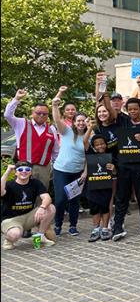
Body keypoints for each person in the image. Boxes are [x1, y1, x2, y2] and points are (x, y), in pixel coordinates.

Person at [110, 98, 140, 241]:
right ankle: (117, 227)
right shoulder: (122, 123)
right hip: (123, 167)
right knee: (121, 197)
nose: (132, 111)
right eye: (130, 109)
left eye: (135, 109)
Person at [51, 88, 88, 236]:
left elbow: (88, 156)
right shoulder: (66, 131)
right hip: (61, 171)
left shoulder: (89, 136)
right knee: (60, 199)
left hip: (77, 173)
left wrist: (85, 172)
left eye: (83, 121)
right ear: (73, 122)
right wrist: (56, 103)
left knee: (74, 200)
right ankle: (58, 224)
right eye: (78, 120)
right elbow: (57, 118)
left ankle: (73, 225)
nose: (81, 123)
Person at [3, 89, 58, 188]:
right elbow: (7, 115)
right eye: (38, 112)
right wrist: (16, 99)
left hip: (44, 169)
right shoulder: (21, 123)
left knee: (41, 196)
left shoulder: (52, 129)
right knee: (22, 196)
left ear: (47, 115)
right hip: (24, 167)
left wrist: (56, 169)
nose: (41, 115)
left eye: (44, 114)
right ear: (33, 113)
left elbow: (55, 153)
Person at [1, 162, 56, 250]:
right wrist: (7, 171)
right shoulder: (9, 184)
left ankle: (41, 235)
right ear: (15, 172)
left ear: (30, 172)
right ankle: (8, 240)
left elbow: (47, 198)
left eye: (27, 170)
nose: (24, 172)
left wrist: (42, 207)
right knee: (15, 234)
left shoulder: (35, 183)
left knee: (50, 208)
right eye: (20, 170)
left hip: (29, 216)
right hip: (11, 219)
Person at [85, 134, 116, 242]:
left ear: (106, 144)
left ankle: (105, 228)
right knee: (94, 208)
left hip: (105, 185)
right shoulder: (91, 154)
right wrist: (89, 127)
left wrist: (113, 168)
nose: (100, 146)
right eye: (96, 145)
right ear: (93, 146)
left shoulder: (111, 155)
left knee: (105, 207)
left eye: (102, 143)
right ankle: (96, 228)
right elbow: (85, 141)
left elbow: (116, 172)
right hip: (93, 185)